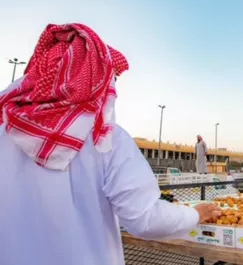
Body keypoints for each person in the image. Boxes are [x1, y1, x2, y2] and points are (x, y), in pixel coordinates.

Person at [0, 23, 221, 265]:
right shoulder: (105, 139)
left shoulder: (4, 132)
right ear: (94, 81)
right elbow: (145, 219)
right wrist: (193, 214)